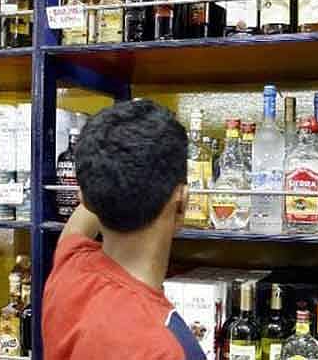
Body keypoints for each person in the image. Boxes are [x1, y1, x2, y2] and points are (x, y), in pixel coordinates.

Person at [42, 100, 206, 359]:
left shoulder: (68, 269)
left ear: (84, 198)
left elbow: (81, 216)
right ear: (182, 203)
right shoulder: (168, 349)